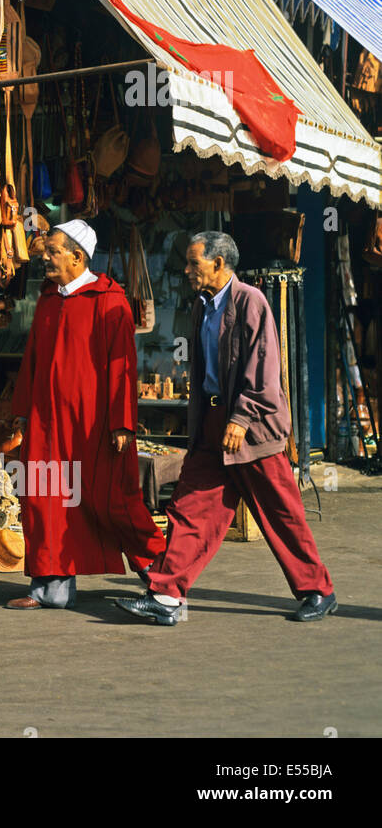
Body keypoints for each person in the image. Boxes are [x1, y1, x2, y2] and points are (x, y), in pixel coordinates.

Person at [115, 232, 336, 625]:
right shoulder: (202, 306)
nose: (186, 270)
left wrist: (241, 418)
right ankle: (166, 597)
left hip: (251, 427)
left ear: (219, 264)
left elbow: (265, 367)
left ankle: (318, 590)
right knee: (190, 509)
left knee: (280, 512)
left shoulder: (251, 301)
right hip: (213, 423)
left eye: (193, 263)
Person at [5, 220, 165, 610]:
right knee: (45, 497)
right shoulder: (47, 300)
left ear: (78, 257)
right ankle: (51, 589)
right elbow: (32, 361)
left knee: (110, 500)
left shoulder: (110, 302)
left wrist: (122, 421)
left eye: (53, 252)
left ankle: (165, 574)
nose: (45, 258)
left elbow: (122, 365)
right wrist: (23, 412)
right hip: (47, 422)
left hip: (94, 425)